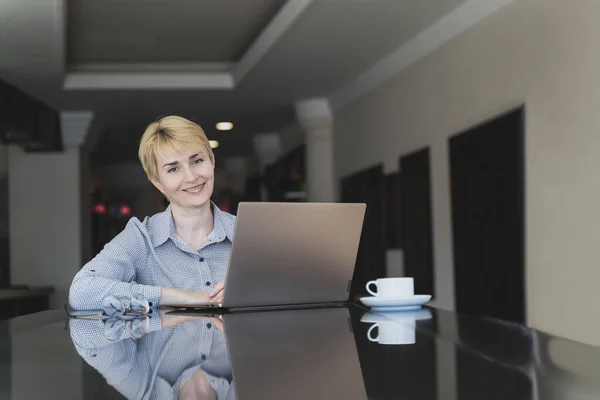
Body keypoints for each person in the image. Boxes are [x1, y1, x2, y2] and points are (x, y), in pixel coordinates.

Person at [69, 116, 236, 310]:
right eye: (173, 169)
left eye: (197, 160)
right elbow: (81, 292)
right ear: (157, 181)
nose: (191, 177)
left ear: (212, 161)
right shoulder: (141, 238)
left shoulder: (248, 232)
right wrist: (179, 297)